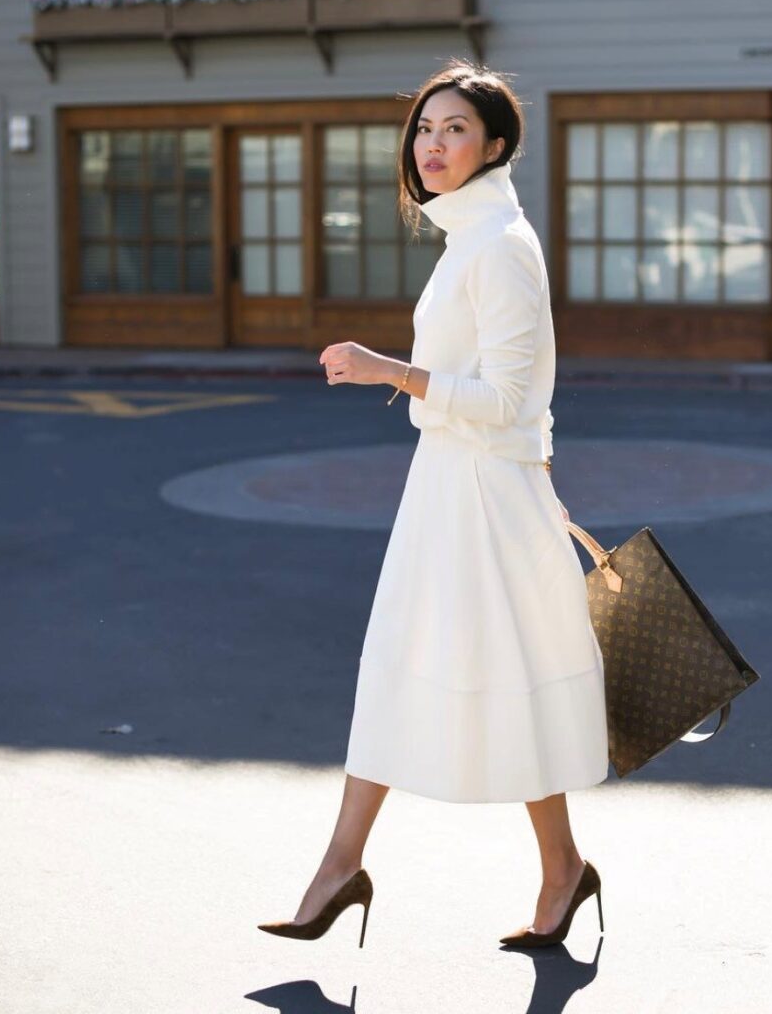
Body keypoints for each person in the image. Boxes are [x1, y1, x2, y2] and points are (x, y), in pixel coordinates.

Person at [257, 60, 608, 950]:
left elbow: (508, 397)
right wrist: (540, 459)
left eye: (455, 129)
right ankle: (342, 868)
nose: (434, 144)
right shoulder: (472, 240)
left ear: (496, 145)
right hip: (456, 490)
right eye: (424, 128)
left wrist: (388, 370)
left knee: (502, 684)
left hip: (485, 501)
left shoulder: (501, 247)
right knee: (411, 670)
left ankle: (557, 871)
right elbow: (527, 402)